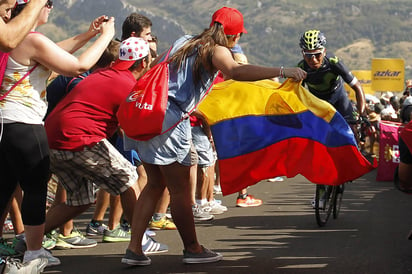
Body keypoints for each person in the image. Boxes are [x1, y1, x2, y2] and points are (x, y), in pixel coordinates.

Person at [122, 6, 306, 266]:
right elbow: (235, 72)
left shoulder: (186, 41)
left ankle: (134, 249)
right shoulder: (217, 50)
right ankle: (193, 249)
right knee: (181, 190)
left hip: (148, 112)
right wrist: (283, 70)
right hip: (169, 122)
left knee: (154, 184)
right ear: (236, 36)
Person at [0, 0, 114, 267]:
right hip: (25, 124)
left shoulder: (17, 38)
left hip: (5, 125)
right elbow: (77, 66)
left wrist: (88, 34)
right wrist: (107, 37)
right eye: (47, 3)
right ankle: (34, 252)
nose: (50, 7)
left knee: (3, 190)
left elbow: (55, 52)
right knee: (35, 189)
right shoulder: (32, 39)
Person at [44, 37, 167, 255]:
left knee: (80, 201)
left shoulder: (103, 73)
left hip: (52, 138)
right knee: (129, 178)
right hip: (80, 137)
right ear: (143, 62)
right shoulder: (129, 85)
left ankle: (28, 239)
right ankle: (140, 242)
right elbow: (135, 127)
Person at [298, 29, 366, 134]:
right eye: (308, 55)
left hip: (339, 99)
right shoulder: (301, 68)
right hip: (318, 102)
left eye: (317, 55)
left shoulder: (334, 63)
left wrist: (363, 114)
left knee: (351, 131)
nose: (313, 60)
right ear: (303, 54)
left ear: (324, 51)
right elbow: (297, 95)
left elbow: (357, 87)